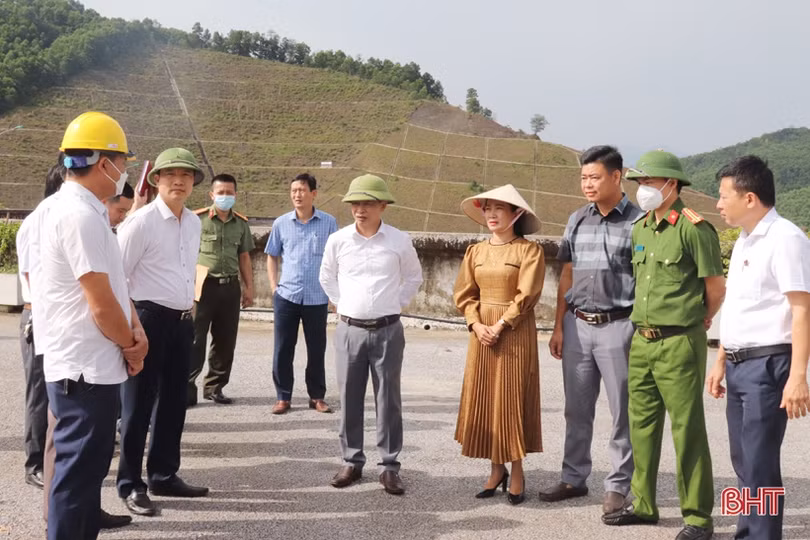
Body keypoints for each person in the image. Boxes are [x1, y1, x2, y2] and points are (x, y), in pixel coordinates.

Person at [35, 111, 147, 540]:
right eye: (123, 162)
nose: (125, 172)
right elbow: (100, 305)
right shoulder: (78, 216)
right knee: (76, 482)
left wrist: (135, 327)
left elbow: (114, 285)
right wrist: (132, 346)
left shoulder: (81, 209)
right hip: (84, 370)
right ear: (104, 163)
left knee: (82, 479)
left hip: (87, 365)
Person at [602, 150, 725, 540]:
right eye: (640, 183)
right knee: (641, 426)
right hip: (642, 340)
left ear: (672, 185)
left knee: (687, 430)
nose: (643, 190)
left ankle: (698, 518)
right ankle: (645, 504)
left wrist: (698, 318)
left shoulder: (695, 228)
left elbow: (715, 289)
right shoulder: (640, 229)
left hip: (679, 342)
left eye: (650, 183)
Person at [707, 155, 810, 540]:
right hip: (738, 363)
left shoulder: (786, 239)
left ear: (749, 198)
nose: (718, 204)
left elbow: (802, 310)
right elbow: (737, 306)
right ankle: (746, 532)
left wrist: (798, 377)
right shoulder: (747, 240)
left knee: (761, 463)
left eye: (723, 196)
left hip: (768, 365)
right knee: (743, 461)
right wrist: (720, 359)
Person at [539, 146, 641, 514]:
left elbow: (645, 279)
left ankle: (617, 485)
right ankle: (573, 477)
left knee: (622, 411)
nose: (587, 184)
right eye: (583, 178)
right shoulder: (576, 219)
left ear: (617, 177)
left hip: (620, 326)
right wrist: (558, 326)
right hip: (578, 325)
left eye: (595, 177)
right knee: (576, 409)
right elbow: (566, 273)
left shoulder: (638, 222)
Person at [116, 148, 208, 517]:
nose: (179, 181)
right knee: (137, 405)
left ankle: (164, 473)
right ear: (156, 180)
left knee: (174, 401)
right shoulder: (140, 223)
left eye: (186, 176)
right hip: (148, 318)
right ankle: (130, 484)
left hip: (182, 320)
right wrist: (131, 328)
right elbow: (116, 277)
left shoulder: (194, 223)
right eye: (171, 175)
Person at [318, 174, 422, 495]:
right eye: (355, 204)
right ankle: (351, 460)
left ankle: (389, 466)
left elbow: (413, 278)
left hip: (388, 329)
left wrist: (394, 304)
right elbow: (326, 277)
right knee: (349, 395)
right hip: (350, 328)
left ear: (383, 206)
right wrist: (344, 304)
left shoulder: (398, 240)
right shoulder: (339, 240)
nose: (360, 210)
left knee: (388, 398)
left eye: (367, 203)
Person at [454, 184, 545, 506]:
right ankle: (496, 470)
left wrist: (501, 324)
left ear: (516, 214)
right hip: (481, 333)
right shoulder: (474, 251)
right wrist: (477, 324)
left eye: (499, 209)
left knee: (511, 398)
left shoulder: (529, 251)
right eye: (487, 208)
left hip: (514, 331)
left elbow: (528, 294)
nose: (491, 214)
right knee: (487, 398)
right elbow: (465, 294)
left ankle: (517, 469)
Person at [266, 173, 337, 414]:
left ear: (314, 194)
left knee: (317, 348)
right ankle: (283, 396)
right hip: (287, 296)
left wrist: (334, 294)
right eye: (294, 190)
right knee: (283, 347)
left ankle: (317, 396)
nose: (297, 194)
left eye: (302, 190)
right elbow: (272, 255)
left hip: (317, 298)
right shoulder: (281, 223)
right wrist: (274, 287)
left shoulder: (329, 223)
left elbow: (336, 260)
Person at [16, 160, 64, 491]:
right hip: (40, 315)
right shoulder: (38, 222)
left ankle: (53, 458)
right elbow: (36, 277)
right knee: (40, 394)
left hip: (60, 317)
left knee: (59, 394)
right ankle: (35, 462)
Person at [188, 173, 255, 406]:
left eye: (229, 192)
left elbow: (244, 257)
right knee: (195, 338)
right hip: (202, 286)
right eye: (221, 192)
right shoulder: (196, 220)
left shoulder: (241, 224)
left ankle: (215, 387)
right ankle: (187, 388)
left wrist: (249, 288)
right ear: (212, 194)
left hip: (229, 287)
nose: (225, 196)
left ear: (235, 194)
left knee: (225, 340)